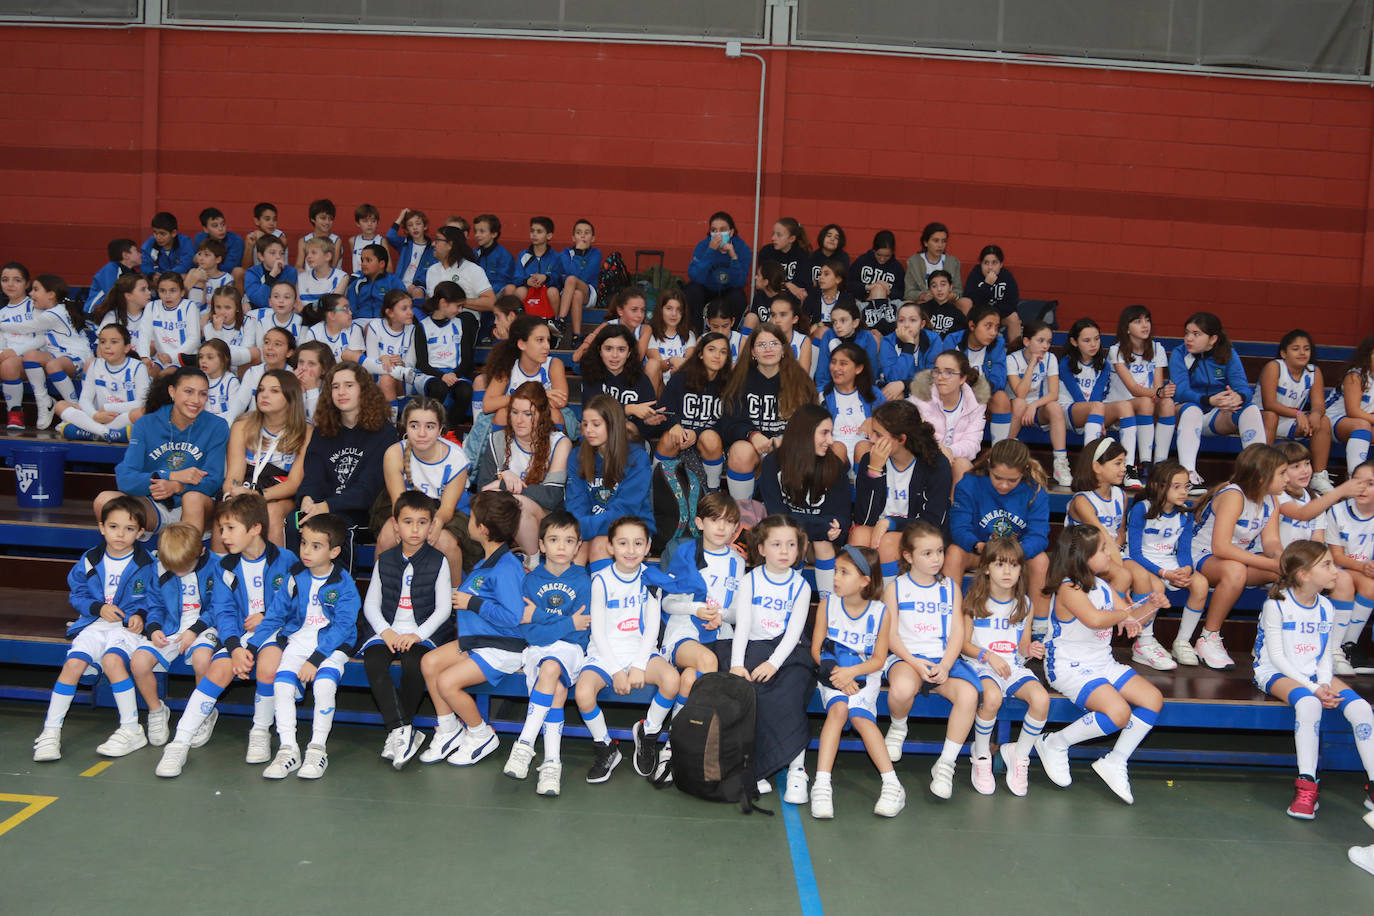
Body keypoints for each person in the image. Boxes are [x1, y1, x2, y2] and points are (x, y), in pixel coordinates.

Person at [155, 493, 298, 777]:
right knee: (217, 671)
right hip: (238, 637)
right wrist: (233, 649)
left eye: (230, 528)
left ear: (256, 527)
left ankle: (259, 731)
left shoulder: (287, 561)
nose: (223, 535)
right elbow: (223, 613)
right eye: (221, 528)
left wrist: (268, 618)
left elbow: (298, 608)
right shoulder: (225, 567)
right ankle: (179, 742)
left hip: (278, 633)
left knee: (268, 669)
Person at [1036, 526, 1168, 804]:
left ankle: (1115, 760)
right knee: (1118, 713)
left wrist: (1152, 606)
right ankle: (1054, 743)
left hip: (1102, 662)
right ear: (1084, 557)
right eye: (1103, 550)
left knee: (1152, 699)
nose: (1110, 554)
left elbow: (1130, 620)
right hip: (1068, 665)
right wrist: (1126, 612)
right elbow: (1096, 620)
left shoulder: (1104, 587)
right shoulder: (1068, 588)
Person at [1252, 539, 1374, 818]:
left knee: (1361, 708)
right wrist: (1314, 688)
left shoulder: (1327, 607)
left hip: (1312, 674)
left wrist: (1324, 683)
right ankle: (1306, 786)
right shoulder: (1277, 604)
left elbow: (1324, 655)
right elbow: (1279, 657)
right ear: (1303, 574)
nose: (1336, 571)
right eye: (1328, 565)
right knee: (1309, 704)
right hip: (1275, 672)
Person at [32, 496, 156, 763]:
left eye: (129, 528)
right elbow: (76, 594)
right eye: (113, 527)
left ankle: (131, 728)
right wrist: (97, 607)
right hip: (94, 624)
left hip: (126, 631)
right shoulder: (90, 559)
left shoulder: (148, 564)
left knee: (113, 661)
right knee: (73, 665)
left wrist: (141, 616)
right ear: (101, 527)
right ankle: (50, 732)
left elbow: (154, 598)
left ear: (141, 533)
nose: (120, 534)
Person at [243, 512, 359, 780]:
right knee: (282, 685)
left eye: (316, 546)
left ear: (334, 551)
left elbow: (343, 627)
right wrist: (252, 646)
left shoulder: (344, 583)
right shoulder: (295, 576)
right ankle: (288, 749)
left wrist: (316, 659)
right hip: (298, 639)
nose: (306, 551)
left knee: (323, 684)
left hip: (333, 645)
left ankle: (317, 749)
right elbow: (275, 614)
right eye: (304, 543)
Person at [418, 491, 527, 766]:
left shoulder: (505, 567)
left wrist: (473, 603)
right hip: (478, 641)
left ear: (482, 529)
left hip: (502, 646)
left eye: (472, 518)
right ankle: (448, 730)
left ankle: (481, 734)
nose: (467, 520)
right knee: (430, 662)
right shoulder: (484, 562)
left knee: (447, 682)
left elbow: (513, 617)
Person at [576, 515, 683, 783]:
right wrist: (615, 671)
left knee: (672, 680)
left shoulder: (651, 579)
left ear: (648, 547)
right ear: (610, 547)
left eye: (638, 543)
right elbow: (598, 632)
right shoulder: (600, 580)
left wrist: (637, 664)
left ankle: (648, 732)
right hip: (605, 653)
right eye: (623, 543)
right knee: (583, 693)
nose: (631, 550)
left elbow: (651, 629)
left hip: (640, 651)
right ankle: (605, 746)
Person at [881, 521, 982, 799]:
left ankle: (946, 764)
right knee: (901, 689)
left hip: (943, 660)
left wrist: (947, 665)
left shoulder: (951, 587)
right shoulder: (896, 588)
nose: (936, 558)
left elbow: (958, 634)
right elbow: (890, 636)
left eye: (939, 551)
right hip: (907, 658)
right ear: (908, 556)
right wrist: (914, 662)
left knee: (969, 695)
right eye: (927, 553)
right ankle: (899, 727)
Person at [360, 491, 455, 769]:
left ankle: (399, 731)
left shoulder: (439, 561)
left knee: (416, 664)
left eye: (422, 522)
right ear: (395, 525)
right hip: (388, 629)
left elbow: (443, 609)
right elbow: (371, 605)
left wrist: (417, 635)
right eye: (408, 522)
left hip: (422, 632)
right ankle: (402, 730)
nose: (415, 529)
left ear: (432, 525)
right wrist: (386, 632)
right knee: (375, 662)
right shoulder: (385, 560)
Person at [809, 545, 905, 818]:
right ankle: (822, 785)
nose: (835, 578)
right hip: (832, 672)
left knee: (862, 719)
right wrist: (838, 674)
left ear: (865, 580)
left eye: (844, 572)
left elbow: (878, 659)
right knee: (838, 711)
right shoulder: (828, 605)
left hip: (865, 674)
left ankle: (892, 785)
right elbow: (816, 650)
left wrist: (853, 673)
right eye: (836, 571)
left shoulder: (880, 612)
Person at [503, 511, 591, 796]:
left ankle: (525, 743)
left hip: (571, 650)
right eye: (554, 540)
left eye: (569, 541)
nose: (562, 547)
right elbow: (528, 632)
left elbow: (580, 632)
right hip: (536, 649)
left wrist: (539, 617)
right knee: (557, 693)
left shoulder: (584, 581)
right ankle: (552, 764)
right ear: (541, 545)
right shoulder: (531, 581)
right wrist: (566, 621)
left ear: (579, 546)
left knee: (551, 667)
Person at [729, 515, 815, 803]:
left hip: (790, 652)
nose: (784, 551)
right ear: (762, 549)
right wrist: (737, 664)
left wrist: (774, 663)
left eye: (791, 544)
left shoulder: (801, 586)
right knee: (754, 695)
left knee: (790, 694)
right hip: (755, 648)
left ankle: (797, 769)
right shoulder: (750, 580)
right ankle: (758, 767)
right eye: (776, 544)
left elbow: (793, 634)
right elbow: (742, 626)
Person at [960, 537, 1050, 797]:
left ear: (1022, 569)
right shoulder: (974, 601)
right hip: (981, 665)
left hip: (1011, 667)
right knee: (992, 697)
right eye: (1000, 565)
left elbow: (1021, 646)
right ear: (986, 568)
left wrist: (1030, 649)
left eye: (1013, 565)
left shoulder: (1025, 604)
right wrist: (989, 656)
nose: (1007, 571)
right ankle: (981, 755)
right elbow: (964, 645)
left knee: (1041, 699)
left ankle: (1019, 755)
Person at [1183, 443, 1287, 668]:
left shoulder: (1272, 499)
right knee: (1236, 570)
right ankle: (1208, 637)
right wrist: (1269, 563)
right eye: (1282, 473)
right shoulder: (1233, 495)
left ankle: (1270, 641)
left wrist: (1280, 560)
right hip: (1202, 556)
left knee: (1288, 574)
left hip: (1238, 558)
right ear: (1261, 477)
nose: (1286, 478)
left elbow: (1271, 542)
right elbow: (1221, 547)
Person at [99, 367, 228, 538]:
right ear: (172, 392)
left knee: (193, 499)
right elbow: (125, 479)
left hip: (196, 506)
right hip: (155, 504)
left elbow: (213, 480)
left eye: (203, 394)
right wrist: (171, 476)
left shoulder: (217, 426)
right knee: (104, 500)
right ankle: (124, 562)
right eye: (188, 391)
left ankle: (185, 561)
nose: (196, 400)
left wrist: (179, 486)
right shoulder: (145, 424)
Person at [291, 363, 398, 553]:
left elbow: (368, 490)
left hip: (363, 512)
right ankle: (298, 581)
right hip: (324, 507)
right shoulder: (322, 431)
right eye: (335, 386)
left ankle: (341, 583)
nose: (341, 392)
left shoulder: (384, 433)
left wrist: (326, 506)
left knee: (335, 527)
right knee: (294, 521)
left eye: (349, 385)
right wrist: (308, 498)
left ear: (363, 390)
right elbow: (314, 477)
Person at [130, 522, 218, 750]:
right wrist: (154, 628)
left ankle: (203, 712)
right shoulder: (159, 567)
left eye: (185, 567)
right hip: (170, 627)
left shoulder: (217, 566)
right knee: (139, 662)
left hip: (205, 626)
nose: (178, 573)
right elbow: (155, 603)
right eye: (173, 568)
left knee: (202, 661)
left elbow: (219, 606)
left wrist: (194, 631)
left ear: (201, 551)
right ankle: (156, 710)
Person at [946, 439, 1052, 620]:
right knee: (954, 553)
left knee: (1041, 561)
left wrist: (1015, 553)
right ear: (989, 465)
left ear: (1024, 470)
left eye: (1012, 480)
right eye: (998, 477)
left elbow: (1039, 535)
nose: (1003, 485)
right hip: (981, 552)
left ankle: (1039, 628)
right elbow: (959, 527)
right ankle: (949, 618)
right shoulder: (970, 484)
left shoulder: (1034, 490)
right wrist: (978, 545)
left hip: (1017, 555)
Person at [851, 400, 954, 579]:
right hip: (878, 529)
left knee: (889, 542)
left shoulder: (936, 464)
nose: (871, 439)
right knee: (859, 534)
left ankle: (889, 602)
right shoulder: (870, 459)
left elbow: (933, 523)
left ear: (901, 439)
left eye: (878, 434)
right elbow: (864, 518)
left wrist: (892, 523)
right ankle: (859, 601)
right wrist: (874, 472)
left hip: (923, 534)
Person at [758, 405, 850, 599]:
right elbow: (778, 515)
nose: (830, 441)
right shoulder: (773, 462)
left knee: (821, 542)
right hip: (787, 538)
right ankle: (786, 599)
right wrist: (818, 527)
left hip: (821, 542)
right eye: (824, 433)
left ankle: (828, 604)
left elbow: (841, 515)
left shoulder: (834, 465)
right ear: (805, 433)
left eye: (831, 433)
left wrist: (829, 528)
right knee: (797, 538)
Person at [719, 322, 819, 501]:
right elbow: (727, 424)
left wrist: (785, 440)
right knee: (740, 451)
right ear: (752, 352)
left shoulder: (800, 381)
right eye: (761, 345)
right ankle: (744, 515)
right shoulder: (740, 379)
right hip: (753, 450)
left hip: (789, 449)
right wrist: (752, 435)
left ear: (783, 349)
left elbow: (811, 424)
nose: (768, 349)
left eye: (774, 343)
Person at [1126, 460, 1210, 669]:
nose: (1184, 491)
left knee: (1200, 583)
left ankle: (1182, 641)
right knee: (1157, 586)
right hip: (1143, 561)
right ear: (1158, 486)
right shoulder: (1141, 509)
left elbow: (1184, 551)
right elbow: (1135, 553)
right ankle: (1143, 642)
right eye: (1177, 486)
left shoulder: (1185, 513)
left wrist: (1186, 569)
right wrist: (1165, 573)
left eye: (1186, 486)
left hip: (1169, 563)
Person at [377, 397, 470, 585]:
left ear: (440, 429)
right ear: (404, 427)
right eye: (414, 426)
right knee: (388, 535)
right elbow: (398, 503)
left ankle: (455, 601)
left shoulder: (457, 458)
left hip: (447, 510)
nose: (421, 433)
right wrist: (404, 524)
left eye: (429, 426)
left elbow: (447, 509)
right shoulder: (394, 453)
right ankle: (381, 593)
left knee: (444, 542)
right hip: (405, 505)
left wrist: (435, 523)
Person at [660, 492, 744, 699]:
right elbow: (667, 603)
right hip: (683, 632)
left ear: (736, 528)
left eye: (729, 521)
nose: (721, 527)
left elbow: (737, 613)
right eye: (715, 520)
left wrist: (720, 615)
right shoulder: (686, 553)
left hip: (721, 637)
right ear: (700, 523)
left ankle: (656, 727)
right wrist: (696, 609)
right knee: (707, 662)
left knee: (690, 679)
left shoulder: (738, 562)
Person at [1171, 311, 1264, 492]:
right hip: (1185, 413)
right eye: (1187, 333)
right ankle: (1188, 475)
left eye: (1196, 334)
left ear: (1213, 339)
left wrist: (1238, 397)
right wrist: (1207, 399)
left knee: (1250, 408)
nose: (1189, 338)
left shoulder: (1228, 354)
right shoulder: (1179, 354)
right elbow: (1181, 391)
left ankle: (1258, 473)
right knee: (1192, 410)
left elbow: (1244, 388)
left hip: (1215, 416)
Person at [476, 381, 571, 558]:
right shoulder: (497, 440)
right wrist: (505, 483)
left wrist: (504, 484)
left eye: (528, 414)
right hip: (501, 516)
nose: (519, 420)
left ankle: (532, 561)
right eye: (515, 412)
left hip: (546, 517)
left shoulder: (559, 443)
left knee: (518, 504)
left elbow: (552, 497)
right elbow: (482, 489)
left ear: (542, 415)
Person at [220, 369, 311, 546]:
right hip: (247, 485)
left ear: (291, 397)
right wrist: (231, 497)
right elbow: (234, 476)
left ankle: (276, 572)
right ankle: (222, 572)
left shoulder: (306, 432)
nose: (264, 395)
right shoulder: (242, 425)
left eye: (274, 391)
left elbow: (293, 484)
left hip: (281, 492)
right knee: (229, 513)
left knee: (272, 512)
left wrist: (257, 495)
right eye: (261, 389)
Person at [565, 395, 655, 564]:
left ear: (613, 425)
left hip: (632, 526)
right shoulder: (576, 456)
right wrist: (577, 532)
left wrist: (579, 529)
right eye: (585, 424)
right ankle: (577, 590)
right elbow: (576, 504)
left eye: (596, 424)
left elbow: (625, 511)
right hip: (589, 525)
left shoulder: (637, 458)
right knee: (576, 548)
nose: (588, 430)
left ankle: (605, 591)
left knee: (601, 545)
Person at [1060, 319, 1142, 487]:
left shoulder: (1103, 364)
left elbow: (1097, 395)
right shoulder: (1066, 363)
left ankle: (1128, 469)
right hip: (1069, 413)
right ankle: (1089, 469)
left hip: (1095, 413)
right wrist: (1096, 414)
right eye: (1087, 340)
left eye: (1097, 339)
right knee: (1096, 407)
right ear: (1074, 342)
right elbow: (1077, 396)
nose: (1093, 344)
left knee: (1125, 406)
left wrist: (1097, 417)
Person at [1257, 329, 1334, 493]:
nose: (1302, 353)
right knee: (1271, 416)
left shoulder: (1313, 371)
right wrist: (1298, 414)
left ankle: (1319, 476)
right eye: (1296, 349)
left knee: (1323, 421)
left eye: (1306, 349)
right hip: (1261, 419)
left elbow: (1319, 404)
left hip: (1289, 421)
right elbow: (1269, 403)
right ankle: (1263, 471)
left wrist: (1314, 414)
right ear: (1284, 353)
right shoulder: (1274, 366)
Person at [1106, 304, 1176, 473]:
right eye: (1138, 321)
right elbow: (1134, 389)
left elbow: (1158, 387)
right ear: (1127, 328)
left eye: (1147, 320)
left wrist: (1163, 393)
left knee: (1167, 404)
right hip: (1119, 407)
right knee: (1145, 401)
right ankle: (1144, 462)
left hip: (1147, 403)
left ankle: (1160, 463)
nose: (1145, 325)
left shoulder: (1157, 348)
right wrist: (1159, 392)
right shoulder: (1116, 351)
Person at [655, 331, 730, 487]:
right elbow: (663, 410)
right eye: (711, 349)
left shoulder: (730, 384)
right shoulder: (681, 378)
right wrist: (674, 425)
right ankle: (655, 489)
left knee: (710, 437)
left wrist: (697, 434)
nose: (717, 355)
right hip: (680, 439)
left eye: (723, 352)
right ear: (700, 354)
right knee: (670, 437)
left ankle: (712, 490)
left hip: (710, 445)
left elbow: (729, 423)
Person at [55, 323, 150, 442]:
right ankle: (106, 433)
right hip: (98, 418)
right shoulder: (95, 365)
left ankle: (89, 432)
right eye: (103, 342)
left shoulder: (138, 367)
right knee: (60, 405)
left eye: (114, 342)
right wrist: (95, 415)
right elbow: (84, 400)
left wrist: (107, 407)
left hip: (122, 418)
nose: (107, 346)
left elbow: (142, 403)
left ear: (126, 347)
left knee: (142, 412)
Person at [908, 350, 988, 484]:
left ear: (963, 378)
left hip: (954, 459)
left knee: (963, 465)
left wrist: (949, 451)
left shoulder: (976, 404)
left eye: (949, 372)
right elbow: (911, 435)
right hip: (923, 457)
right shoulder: (919, 399)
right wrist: (938, 449)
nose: (940, 377)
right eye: (937, 371)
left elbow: (973, 444)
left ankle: (955, 505)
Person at [1007, 319, 1071, 487]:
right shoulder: (1012, 359)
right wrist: (1032, 365)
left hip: (1036, 408)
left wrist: (1034, 405)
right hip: (1015, 408)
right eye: (1040, 341)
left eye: (1049, 342)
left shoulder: (1051, 359)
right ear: (1026, 341)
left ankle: (1060, 463)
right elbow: (1020, 393)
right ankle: (1006, 451)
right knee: (1020, 402)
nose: (1045, 346)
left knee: (1055, 407)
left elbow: (1054, 394)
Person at [1325, 459, 1374, 675]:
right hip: (1339, 567)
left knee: (1371, 586)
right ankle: (1333, 649)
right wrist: (1362, 567)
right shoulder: (1337, 511)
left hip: (1364, 570)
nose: (1363, 488)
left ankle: (1349, 644)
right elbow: (1337, 556)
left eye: (1370, 483)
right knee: (1344, 580)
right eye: (1358, 482)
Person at [579, 324, 662, 443]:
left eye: (621, 349)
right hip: (596, 440)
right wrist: (629, 409)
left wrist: (651, 421)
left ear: (629, 352)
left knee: (628, 428)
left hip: (631, 442)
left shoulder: (641, 379)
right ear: (599, 350)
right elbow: (593, 411)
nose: (614, 355)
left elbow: (645, 430)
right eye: (608, 349)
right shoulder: (591, 375)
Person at [943, 304, 1010, 442]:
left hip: (985, 394)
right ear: (972, 326)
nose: (993, 332)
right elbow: (944, 374)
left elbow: (999, 379)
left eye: (996, 327)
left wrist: (981, 391)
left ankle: (999, 451)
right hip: (956, 393)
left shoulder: (998, 343)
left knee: (1002, 397)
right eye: (988, 326)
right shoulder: (953, 340)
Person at [821, 342, 883, 466]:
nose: (836, 368)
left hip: (867, 453)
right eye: (833, 362)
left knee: (862, 447)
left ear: (858, 369)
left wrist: (874, 421)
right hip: (833, 454)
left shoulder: (873, 393)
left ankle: (864, 484)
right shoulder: (822, 396)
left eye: (843, 364)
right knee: (838, 447)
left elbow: (891, 425)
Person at [685, 211, 750, 324]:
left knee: (738, 297)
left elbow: (740, 282)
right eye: (714, 230)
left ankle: (730, 334)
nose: (718, 234)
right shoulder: (703, 246)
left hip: (728, 289)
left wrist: (733, 257)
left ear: (731, 232)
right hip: (707, 288)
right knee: (692, 290)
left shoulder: (742, 248)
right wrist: (710, 251)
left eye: (722, 229)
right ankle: (696, 333)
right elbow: (695, 276)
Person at [1325, 333, 1374, 476]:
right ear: (1366, 356)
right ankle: (1356, 477)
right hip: (1334, 421)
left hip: (1366, 425)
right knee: (1361, 425)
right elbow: (1353, 411)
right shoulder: (1356, 375)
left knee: (1363, 426)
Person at [877, 301, 942, 399]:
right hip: (901, 391)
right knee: (893, 394)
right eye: (901, 320)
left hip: (926, 389)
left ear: (922, 324)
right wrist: (908, 346)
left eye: (913, 320)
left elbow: (934, 375)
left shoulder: (933, 339)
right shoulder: (888, 341)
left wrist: (905, 384)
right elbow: (893, 379)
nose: (906, 325)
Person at [553, 218, 602, 345]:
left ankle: (560, 320)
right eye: (579, 233)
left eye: (587, 233)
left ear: (593, 238)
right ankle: (576, 336)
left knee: (572, 280)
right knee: (576, 294)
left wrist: (578, 254)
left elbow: (583, 277)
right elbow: (563, 274)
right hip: (570, 292)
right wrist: (576, 255)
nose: (583, 236)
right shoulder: (565, 253)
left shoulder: (596, 254)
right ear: (573, 238)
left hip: (589, 292)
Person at [846, 230, 904, 335]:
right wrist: (867, 287)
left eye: (887, 256)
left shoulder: (897, 268)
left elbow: (901, 293)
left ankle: (877, 330)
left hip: (886, 311)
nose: (882, 259)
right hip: (863, 305)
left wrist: (888, 291)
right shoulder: (863, 261)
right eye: (879, 255)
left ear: (892, 253)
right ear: (874, 250)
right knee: (877, 288)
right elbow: (849, 284)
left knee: (879, 289)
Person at [964, 244, 1021, 340]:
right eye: (986, 263)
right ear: (980, 264)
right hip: (978, 315)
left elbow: (1012, 303)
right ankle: (969, 342)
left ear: (1001, 264)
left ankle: (1014, 352)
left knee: (1014, 318)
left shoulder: (1007, 277)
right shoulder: (975, 275)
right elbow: (973, 301)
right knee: (965, 302)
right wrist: (987, 285)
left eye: (994, 263)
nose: (990, 267)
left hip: (999, 315)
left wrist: (993, 314)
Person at [904, 221, 965, 306]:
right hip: (924, 302)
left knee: (966, 302)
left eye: (943, 241)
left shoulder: (953, 262)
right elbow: (909, 292)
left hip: (947, 302)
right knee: (907, 304)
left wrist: (952, 296)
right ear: (925, 242)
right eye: (936, 241)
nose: (940, 245)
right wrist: (924, 296)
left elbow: (958, 290)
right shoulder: (914, 262)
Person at [511, 216, 563, 314]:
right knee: (519, 291)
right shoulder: (523, 256)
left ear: (549, 236)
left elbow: (559, 279)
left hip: (547, 290)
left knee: (553, 291)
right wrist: (527, 281)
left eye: (539, 231)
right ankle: (519, 321)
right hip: (529, 290)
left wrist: (546, 278)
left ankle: (554, 322)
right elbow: (516, 278)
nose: (534, 234)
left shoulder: (556, 257)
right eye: (532, 231)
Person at [202, 285, 261, 370]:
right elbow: (216, 356)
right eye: (218, 307)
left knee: (254, 353)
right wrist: (218, 330)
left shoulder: (248, 322)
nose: (222, 312)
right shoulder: (208, 328)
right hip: (220, 370)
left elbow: (247, 351)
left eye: (227, 307)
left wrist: (226, 351)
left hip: (242, 367)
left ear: (237, 308)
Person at [757, 217, 811, 306]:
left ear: (792, 239)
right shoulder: (766, 252)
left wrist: (784, 285)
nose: (773, 238)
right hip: (769, 297)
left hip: (793, 299)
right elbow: (765, 280)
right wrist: (787, 285)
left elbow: (802, 284)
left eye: (779, 235)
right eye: (773, 233)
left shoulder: (802, 254)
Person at [347, 244, 406, 322]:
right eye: (362, 260)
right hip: (360, 322)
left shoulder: (393, 282)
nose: (363, 264)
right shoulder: (357, 283)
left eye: (368, 260)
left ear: (381, 264)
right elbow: (351, 308)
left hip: (385, 322)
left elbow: (402, 305)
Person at [85, 238, 141, 315]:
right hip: (95, 313)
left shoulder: (133, 273)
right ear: (126, 255)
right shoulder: (111, 268)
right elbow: (112, 294)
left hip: (117, 313)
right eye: (136, 251)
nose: (140, 254)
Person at [244, 236, 299, 311]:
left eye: (281, 253)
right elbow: (260, 300)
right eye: (272, 253)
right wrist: (272, 275)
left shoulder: (290, 272)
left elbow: (286, 300)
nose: (278, 257)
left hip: (283, 311)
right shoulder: (252, 272)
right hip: (260, 312)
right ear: (261, 256)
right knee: (245, 308)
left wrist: (254, 305)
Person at [295, 198, 344, 271]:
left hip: (331, 280)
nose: (327, 222)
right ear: (313, 219)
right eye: (323, 218)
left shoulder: (336, 240)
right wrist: (300, 271)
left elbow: (332, 266)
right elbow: (298, 265)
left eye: (330, 219)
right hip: (310, 280)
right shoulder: (303, 241)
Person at [139, 211, 194, 276]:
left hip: (179, 278)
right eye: (155, 232)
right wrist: (153, 275)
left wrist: (167, 276)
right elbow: (144, 264)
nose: (158, 237)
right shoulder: (150, 243)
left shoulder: (184, 242)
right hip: (157, 278)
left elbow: (186, 265)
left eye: (163, 234)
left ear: (173, 233)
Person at [350, 203, 385, 277]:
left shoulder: (382, 241)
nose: (369, 224)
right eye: (365, 221)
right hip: (357, 278)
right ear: (357, 223)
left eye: (373, 221)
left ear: (377, 223)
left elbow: (388, 266)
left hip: (374, 278)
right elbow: (355, 262)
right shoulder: (353, 241)